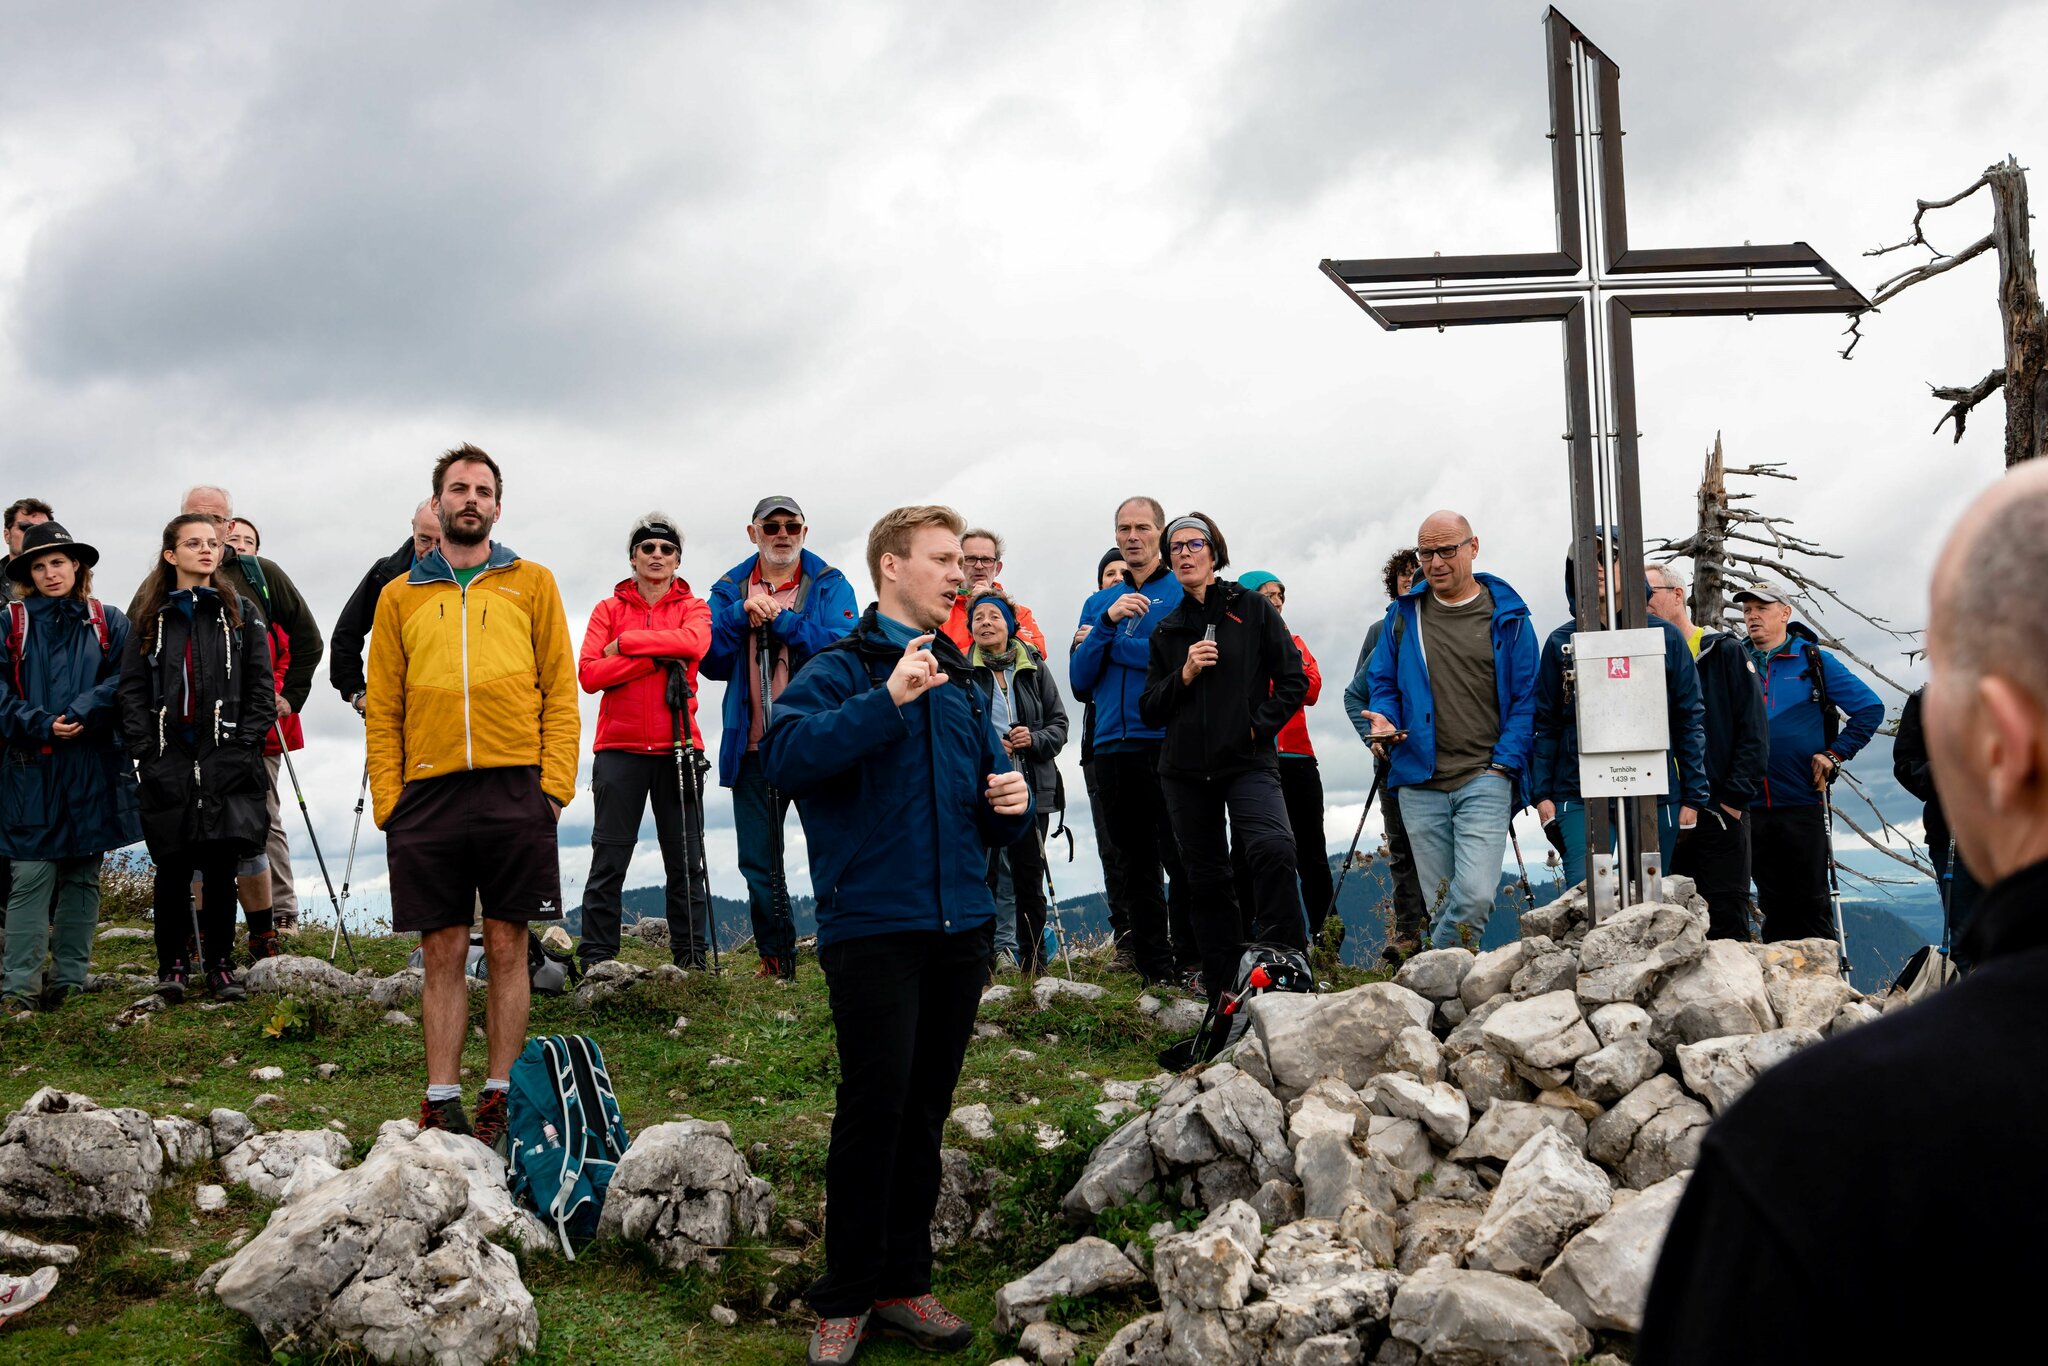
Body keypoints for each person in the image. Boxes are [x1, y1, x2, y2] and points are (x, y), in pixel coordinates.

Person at [1636, 460, 2048, 1365]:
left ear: (2001, 746)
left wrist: (1826, 755)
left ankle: (1814, 984)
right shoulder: (1737, 656)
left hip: (1787, 804)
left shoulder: (1819, 1144)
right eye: (1741, 605)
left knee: (1804, 905)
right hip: (1759, 802)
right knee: (1767, 908)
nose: (1748, 614)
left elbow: (1859, 716)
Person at [761, 505, 1031, 1365]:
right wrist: (884, 701)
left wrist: (1008, 812)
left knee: (924, 1112)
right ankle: (843, 1299)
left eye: (965, 562)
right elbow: (787, 759)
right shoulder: (839, 668)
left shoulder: (960, 677)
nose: (963, 575)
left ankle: (903, 1286)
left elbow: (976, 797)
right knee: (873, 1110)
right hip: (873, 922)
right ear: (891, 567)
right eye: (945, 560)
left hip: (962, 923)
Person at [365, 445, 579, 1146]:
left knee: (510, 945)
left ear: (496, 505)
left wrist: (552, 788)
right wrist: (390, 799)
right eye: (458, 489)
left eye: (483, 491)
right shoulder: (399, 595)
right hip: (426, 792)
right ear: (438, 502)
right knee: (443, 950)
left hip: (514, 784)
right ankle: (440, 1097)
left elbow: (560, 690)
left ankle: (501, 1096)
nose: (470, 500)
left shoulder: (533, 583)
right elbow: (384, 705)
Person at [131, 485, 326, 934]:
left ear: (229, 525)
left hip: (246, 734)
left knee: (259, 824)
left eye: (217, 522)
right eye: (195, 520)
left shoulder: (262, 575)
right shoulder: (156, 587)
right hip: (180, 740)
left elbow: (308, 640)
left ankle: (275, 920)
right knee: (193, 834)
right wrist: (146, 737)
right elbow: (137, 656)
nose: (208, 532)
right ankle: (204, 933)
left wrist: (287, 699)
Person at [1140, 515, 1308, 1013]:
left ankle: (1288, 968)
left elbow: (1293, 680)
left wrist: (1257, 727)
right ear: (1169, 561)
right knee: (1205, 880)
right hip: (1185, 772)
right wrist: (1185, 673)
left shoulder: (1251, 608)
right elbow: (1150, 707)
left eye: (1196, 544)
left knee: (1272, 847)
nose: (1186, 554)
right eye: (1176, 548)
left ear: (1214, 553)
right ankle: (1225, 994)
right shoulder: (1167, 629)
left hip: (1247, 759)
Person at [1361, 512, 1539, 949]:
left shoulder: (1509, 616)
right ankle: (1456, 1000)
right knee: (1442, 903)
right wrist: (1383, 716)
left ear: (1473, 547)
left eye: (1447, 550)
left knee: (1475, 897)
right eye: (1426, 552)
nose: (1435, 562)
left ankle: (1427, 980)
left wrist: (1503, 763)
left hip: (1485, 774)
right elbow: (1380, 682)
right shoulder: (1403, 616)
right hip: (1418, 780)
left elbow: (1527, 698)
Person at [117, 514, 273, 1004]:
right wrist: (148, 752)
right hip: (170, 762)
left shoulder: (241, 612)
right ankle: (173, 966)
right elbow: (132, 690)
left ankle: (221, 967)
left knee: (222, 865)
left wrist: (242, 744)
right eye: (193, 543)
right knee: (173, 867)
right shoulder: (148, 616)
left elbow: (261, 689)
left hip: (226, 760)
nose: (206, 551)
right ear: (171, 555)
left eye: (212, 543)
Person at [703, 496, 858, 981]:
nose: (782, 534)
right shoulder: (729, 587)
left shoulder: (830, 582)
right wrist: (738, 616)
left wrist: (782, 621)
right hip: (752, 744)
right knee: (758, 861)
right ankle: (776, 959)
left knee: (835, 851)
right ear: (754, 533)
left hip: (816, 741)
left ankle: (846, 953)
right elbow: (707, 658)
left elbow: (844, 647)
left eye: (792, 525)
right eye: (771, 526)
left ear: (804, 532)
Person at [1, 523, 142, 1014]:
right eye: (38, 566)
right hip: (29, 769)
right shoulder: (9, 622)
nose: (49, 573)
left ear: (77, 565)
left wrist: (84, 710)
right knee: (31, 875)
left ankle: (69, 983)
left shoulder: (110, 620)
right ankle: (19, 989)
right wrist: (40, 723)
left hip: (91, 766)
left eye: (58, 562)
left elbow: (127, 678)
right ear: (27, 574)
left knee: (83, 875)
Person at [576, 513, 713, 973]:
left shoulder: (694, 606)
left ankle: (691, 962)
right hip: (618, 750)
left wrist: (630, 643)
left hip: (678, 746)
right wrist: (655, 659)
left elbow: (695, 645)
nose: (657, 556)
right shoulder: (605, 609)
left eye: (666, 549)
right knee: (609, 857)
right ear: (633, 557)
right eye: (648, 548)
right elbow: (590, 674)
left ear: (677, 559)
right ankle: (597, 959)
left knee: (686, 861)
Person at [1531, 543, 1709, 890]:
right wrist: (1541, 794)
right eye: (1586, 559)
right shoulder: (1561, 641)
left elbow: (1688, 717)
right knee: (1586, 898)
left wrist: (1693, 795)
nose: (1595, 567)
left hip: (1655, 789)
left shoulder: (1666, 637)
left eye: (1607, 557)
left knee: (1649, 896)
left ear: (1628, 565)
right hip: (1576, 790)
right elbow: (1546, 722)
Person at [1070, 497, 1192, 988]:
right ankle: (1154, 971)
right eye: (1124, 528)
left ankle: (1192, 962)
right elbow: (1080, 681)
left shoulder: (1181, 591)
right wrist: (1105, 621)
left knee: (1182, 859)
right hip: (1111, 746)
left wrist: (1107, 642)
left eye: (1143, 527)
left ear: (1160, 533)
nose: (1133, 536)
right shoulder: (1099, 603)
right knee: (1133, 865)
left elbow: (1170, 658)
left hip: (1165, 740)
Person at [1734, 580, 1884, 943]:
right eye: (1747, 610)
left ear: (1785, 613)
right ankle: (1779, 981)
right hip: (1746, 802)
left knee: (1809, 899)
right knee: (1770, 900)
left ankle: (1824, 985)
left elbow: (1869, 708)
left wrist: (1834, 753)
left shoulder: (1813, 659)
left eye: (1762, 609)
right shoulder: (1734, 660)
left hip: (1802, 797)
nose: (1753, 616)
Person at [1646, 563, 1770, 940]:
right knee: (1665, 923)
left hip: (1718, 811)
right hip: (1663, 810)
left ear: (1677, 594)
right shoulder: (1643, 655)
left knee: (1725, 921)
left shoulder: (1723, 651)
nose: (1642, 602)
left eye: (1649, 592)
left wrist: (1732, 800)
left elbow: (1754, 732)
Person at [965, 589, 1068, 974]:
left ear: (1010, 625)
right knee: (985, 876)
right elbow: (955, 731)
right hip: (985, 788)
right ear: (970, 628)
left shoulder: (1034, 667)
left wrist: (1034, 739)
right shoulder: (962, 671)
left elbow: (1060, 724)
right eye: (978, 618)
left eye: (994, 616)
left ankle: (1035, 962)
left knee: (1029, 876)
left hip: (1032, 787)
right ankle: (986, 961)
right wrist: (988, 748)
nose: (986, 623)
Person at [1237, 571, 1336, 945]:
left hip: (1297, 757)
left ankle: (1327, 937)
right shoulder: (1240, 644)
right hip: (1253, 758)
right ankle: (1251, 933)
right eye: (1266, 595)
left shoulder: (1295, 641)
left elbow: (1310, 688)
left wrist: (1279, 668)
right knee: (1250, 851)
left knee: (1312, 851)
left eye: (1279, 594)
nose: (1276, 601)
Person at [1344, 548, 1427, 955]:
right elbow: (1361, 693)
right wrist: (1372, 738)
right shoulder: (1383, 632)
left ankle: (1445, 933)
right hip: (1395, 760)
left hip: (1439, 759)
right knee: (1401, 850)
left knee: (1433, 848)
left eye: (1418, 573)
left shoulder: (1441, 625)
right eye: (1404, 574)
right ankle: (1410, 933)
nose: (1410, 580)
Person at [1078, 550, 1137, 970]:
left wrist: (1103, 640)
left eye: (1125, 573)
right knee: (1114, 849)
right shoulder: (1091, 615)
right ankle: (1128, 942)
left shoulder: (1154, 611)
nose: (1117, 580)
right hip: (1098, 746)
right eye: (1109, 574)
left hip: (1150, 741)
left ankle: (1169, 938)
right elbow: (1081, 682)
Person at [1894, 685, 1982, 967]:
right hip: (1953, 833)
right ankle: (1975, 1005)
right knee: (1966, 938)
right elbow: (1906, 764)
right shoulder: (1925, 700)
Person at [331, 501, 442, 710]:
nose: (432, 551)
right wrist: (355, 691)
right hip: (395, 709)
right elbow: (346, 633)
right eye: (425, 540)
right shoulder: (385, 574)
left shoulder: (473, 577)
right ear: (413, 528)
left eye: (441, 541)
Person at [940, 528, 1046, 655]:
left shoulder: (1020, 614)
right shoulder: (940, 610)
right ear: (958, 564)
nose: (979, 566)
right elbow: (933, 660)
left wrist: (992, 604)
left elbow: (1036, 655)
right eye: (970, 559)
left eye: (986, 560)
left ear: (997, 568)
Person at [1, 499, 54, 588]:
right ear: (7, 536)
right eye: (25, 528)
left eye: (42, 529)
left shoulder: (75, 581)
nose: (33, 534)